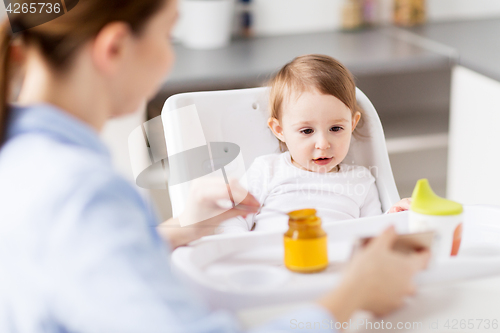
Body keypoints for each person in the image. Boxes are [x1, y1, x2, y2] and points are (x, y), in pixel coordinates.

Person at [0, 0, 428, 332]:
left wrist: (184, 227)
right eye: (169, 35)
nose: (170, 57)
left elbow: (88, 270)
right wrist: (353, 295)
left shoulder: (25, 161)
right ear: (114, 47)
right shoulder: (81, 192)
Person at [219, 55, 411, 233]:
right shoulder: (267, 170)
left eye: (336, 129)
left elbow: (373, 232)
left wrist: (394, 214)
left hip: (337, 264)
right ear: (279, 130)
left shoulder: (361, 180)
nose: (323, 144)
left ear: (352, 124)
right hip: (273, 261)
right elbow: (232, 219)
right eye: (307, 131)